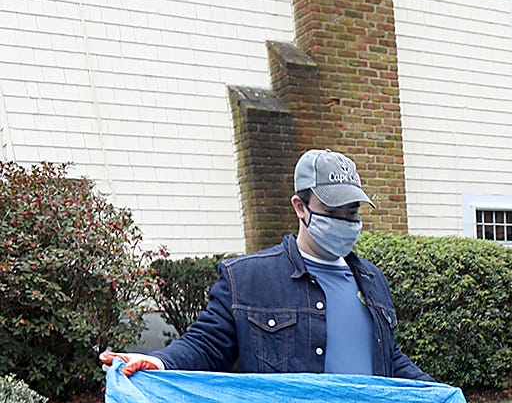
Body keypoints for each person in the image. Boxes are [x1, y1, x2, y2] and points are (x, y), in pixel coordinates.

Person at [103, 149, 432, 381]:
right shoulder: (248, 279)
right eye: (334, 210)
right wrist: (158, 362)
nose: (347, 220)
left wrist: (438, 395)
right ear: (300, 207)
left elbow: (387, 358)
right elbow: (206, 345)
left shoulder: (371, 279)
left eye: (353, 211)